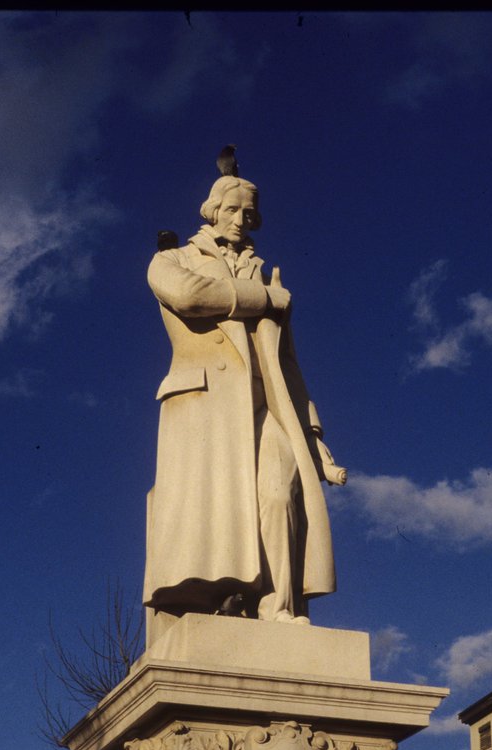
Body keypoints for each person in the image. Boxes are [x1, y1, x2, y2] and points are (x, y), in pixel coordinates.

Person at [143, 173, 345, 634]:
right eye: (232, 210)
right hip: (207, 406)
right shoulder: (170, 260)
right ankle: (223, 602)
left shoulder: (261, 268)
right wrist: (265, 298)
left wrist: (314, 435)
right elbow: (192, 297)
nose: (241, 220)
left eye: (248, 213)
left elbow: (289, 361)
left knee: (281, 495)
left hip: (269, 404)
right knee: (217, 526)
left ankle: (280, 607)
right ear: (212, 210)